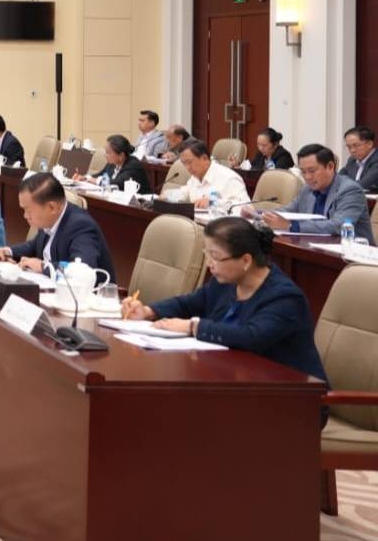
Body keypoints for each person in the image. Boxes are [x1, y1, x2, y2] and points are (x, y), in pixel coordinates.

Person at [119, 217, 327, 384]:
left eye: (215, 257)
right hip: (234, 381)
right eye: (206, 255)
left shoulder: (284, 298)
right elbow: (189, 303)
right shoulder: (226, 282)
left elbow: (251, 337)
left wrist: (193, 326)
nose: (209, 264)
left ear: (246, 260)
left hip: (291, 398)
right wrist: (148, 311)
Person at [0, 173, 115, 278]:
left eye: (28, 210)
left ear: (52, 207)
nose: (25, 216)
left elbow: (82, 270)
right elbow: (35, 246)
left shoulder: (81, 226)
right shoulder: (50, 219)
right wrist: (8, 252)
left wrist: (44, 267)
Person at [254, 144, 373, 242]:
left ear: (330, 166)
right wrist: (258, 214)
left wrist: (290, 226)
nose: (307, 177)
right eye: (303, 171)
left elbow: (338, 225)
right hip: (314, 247)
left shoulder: (350, 190)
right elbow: (288, 210)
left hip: (352, 253)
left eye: (312, 171)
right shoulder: (307, 189)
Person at [176, 139, 248, 211]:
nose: (187, 168)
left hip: (222, 218)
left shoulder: (229, 178)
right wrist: (170, 196)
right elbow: (183, 193)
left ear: (204, 158)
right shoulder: (195, 177)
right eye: (184, 163)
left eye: (189, 162)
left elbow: (245, 207)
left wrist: (214, 203)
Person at [76, 134, 151, 193]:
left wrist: (96, 180)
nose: (105, 155)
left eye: (108, 153)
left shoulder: (134, 165)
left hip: (141, 205)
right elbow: (100, 174)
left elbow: (118, 183)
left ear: (121, 155)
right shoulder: (111, 163)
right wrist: (85, 178)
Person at [341, 126, 378, 193]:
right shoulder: (352, 160)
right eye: (349, 147)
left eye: (356, 145)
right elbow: (337, 180)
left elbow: (363, 184)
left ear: (369, 144)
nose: (352, 150)